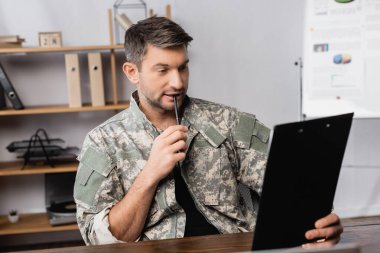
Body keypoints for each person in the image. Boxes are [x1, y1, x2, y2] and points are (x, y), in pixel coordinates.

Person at [74, 17, 343, 248]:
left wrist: (318, 222)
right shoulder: (103, 142)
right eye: (163, 70)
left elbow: (287, 187)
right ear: (133, 72)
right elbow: (100, 243)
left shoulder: (228, 122)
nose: (177, 82)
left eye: (182, 67)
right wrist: (150, 174)